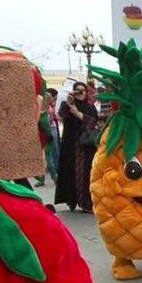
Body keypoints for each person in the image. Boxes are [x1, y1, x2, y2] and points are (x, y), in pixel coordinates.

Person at [53, 83, 98, 213]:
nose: (80, 93)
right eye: (77, 91)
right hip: (70, 145)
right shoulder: (67, 106)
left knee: (85, 173)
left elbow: (93, 122)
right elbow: (61, 116)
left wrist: (79, 114)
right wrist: (68, 103)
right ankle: (71, 200)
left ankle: (86, 203)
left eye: (82, 91)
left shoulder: (89, 107)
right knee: (70, 171)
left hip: (85, 146)